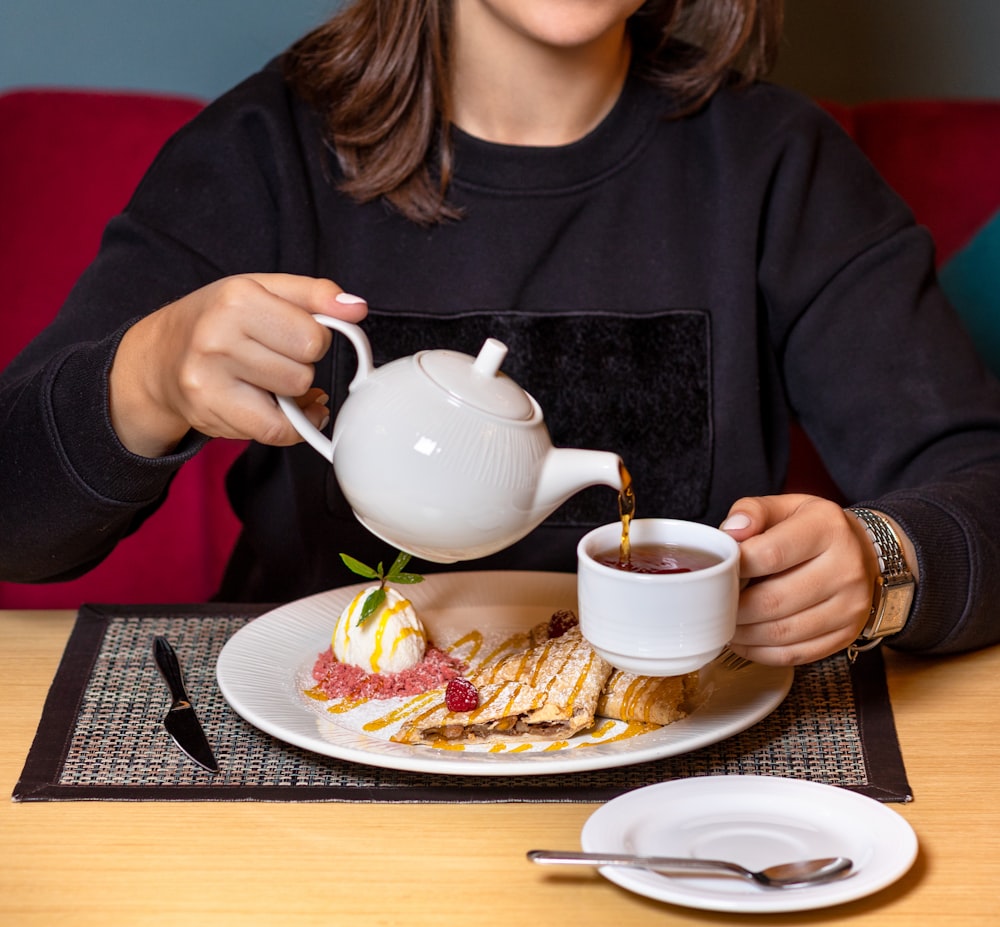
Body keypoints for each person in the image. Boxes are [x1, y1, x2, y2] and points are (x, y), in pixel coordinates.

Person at [2, 0, 1000, 667]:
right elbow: (17, 521)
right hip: (316, 764)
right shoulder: (258, 155)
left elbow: (974, 477)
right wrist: (148, 379)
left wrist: (884, 562)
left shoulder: (780, 167)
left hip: (669, 773)